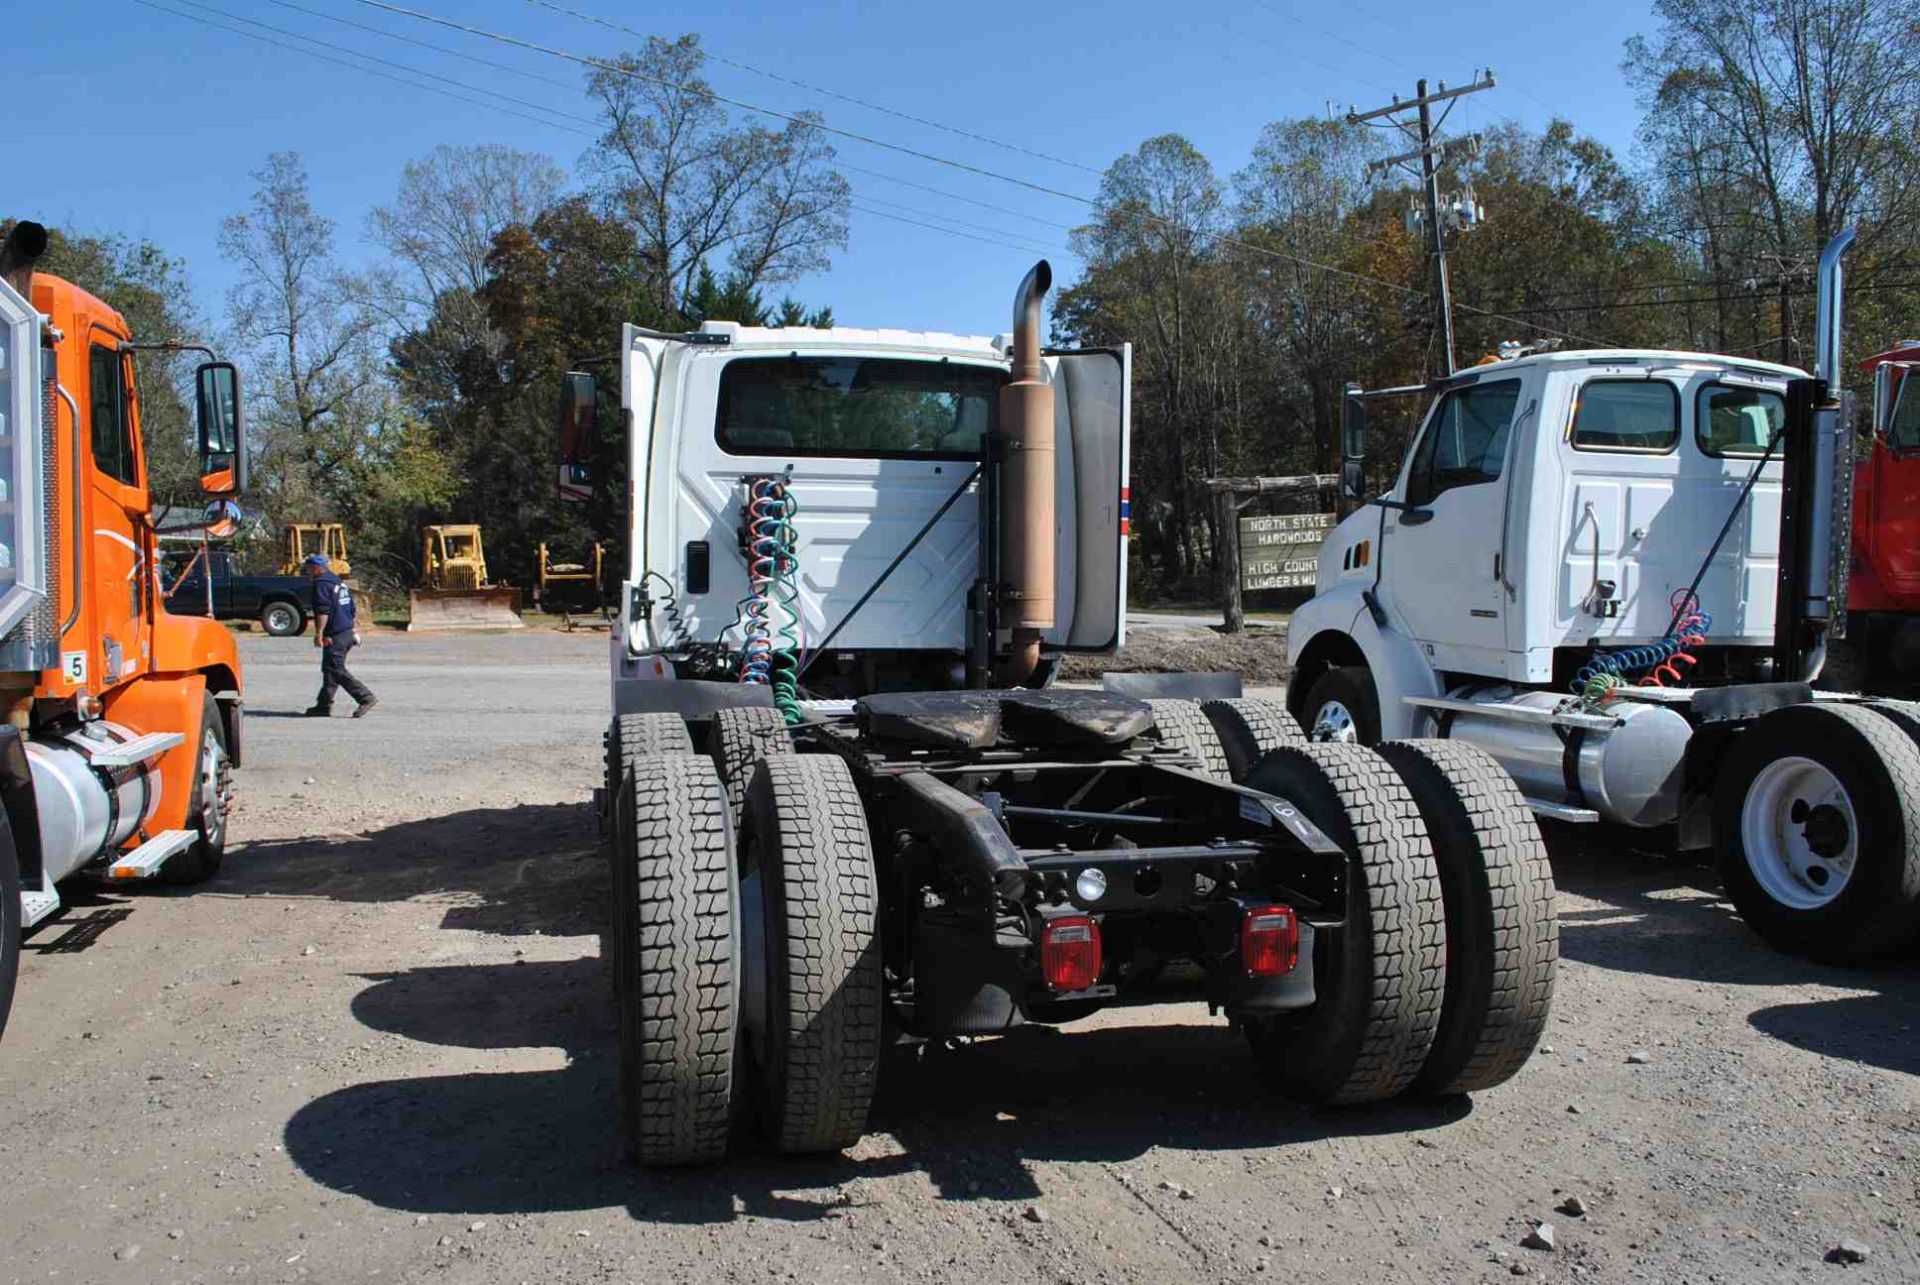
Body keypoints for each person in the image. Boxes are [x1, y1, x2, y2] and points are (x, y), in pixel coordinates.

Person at [302, 554, 377, 718]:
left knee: (335, 669)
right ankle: (323, 705)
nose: (307, 571)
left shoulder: (321, 584)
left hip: (336, 634)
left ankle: (365, 697)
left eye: (308, 567)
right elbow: (351, 606)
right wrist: (351, 628)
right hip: (346, 631)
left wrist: (319, 633)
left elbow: (323, 610)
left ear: (316, 568)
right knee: (329, 669)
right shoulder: (337, 582)